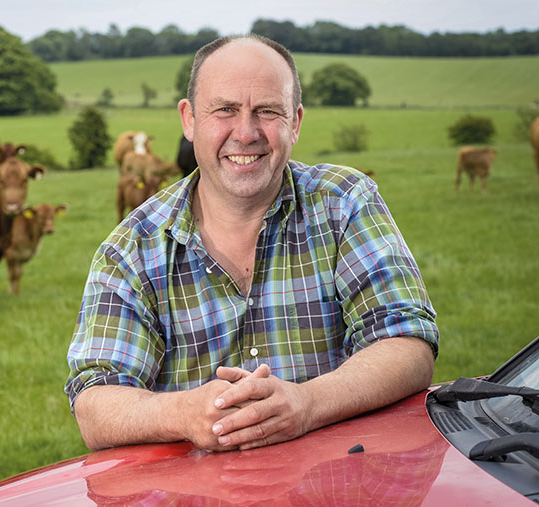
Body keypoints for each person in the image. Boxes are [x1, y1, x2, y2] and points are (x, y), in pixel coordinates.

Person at [65, 34, 439, 453]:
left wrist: (308, 402)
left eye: (267, 111)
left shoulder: (345, 203)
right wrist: (186, 412)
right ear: (188, 120)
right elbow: (95, 403)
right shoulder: (131, 248)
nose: (245, 133)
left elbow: (408, 343)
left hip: (336, 483)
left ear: (295, 122)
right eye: (225, 110)